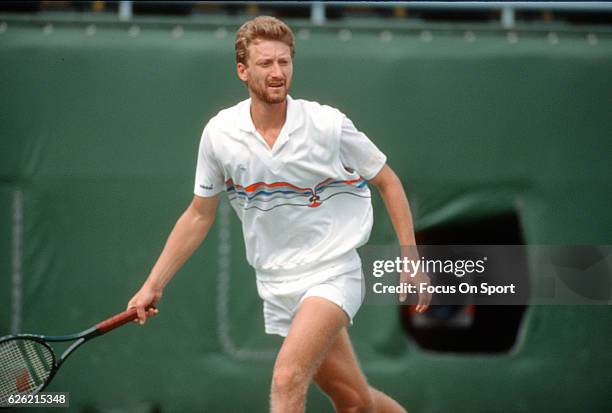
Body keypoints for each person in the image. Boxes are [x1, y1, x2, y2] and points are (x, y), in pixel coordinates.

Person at [127, 16, 430, 413]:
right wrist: (154, 282)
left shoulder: (328, 125)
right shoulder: (220, 135)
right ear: (242, 70)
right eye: (265, 63)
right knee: (354, 401)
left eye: (284, 63)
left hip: (333, 271)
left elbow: (388, 181)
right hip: (276, 281)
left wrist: (411, 259)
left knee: (287, 379)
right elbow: (199, 215)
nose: (277, 73)